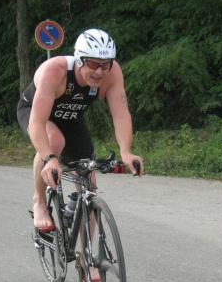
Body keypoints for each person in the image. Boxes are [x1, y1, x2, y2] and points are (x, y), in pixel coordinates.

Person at [17, 28, 144, 234]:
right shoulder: (55, 71)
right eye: (93, 64)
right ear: (79, 60)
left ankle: (86, 254)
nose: (100, 72)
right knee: (55, 141)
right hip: (36, 114)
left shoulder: (112, 74)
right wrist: (50, 158)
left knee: (89, 186)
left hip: (72, 120)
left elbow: (121, 115)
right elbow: (37, 122)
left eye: (105, 64)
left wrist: (126, 152)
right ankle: (39, 202)